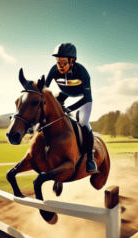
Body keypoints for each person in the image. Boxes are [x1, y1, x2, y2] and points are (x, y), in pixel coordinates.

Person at [45, 43, 98, 174]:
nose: (60, 66)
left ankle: (90, 159)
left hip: (83, 98)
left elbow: (86, 98)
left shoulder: (82, 72)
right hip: (65, 94)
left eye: (63, 62)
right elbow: (44, 90)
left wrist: (69, 108)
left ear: (72, 60)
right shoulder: (53, 70)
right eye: (58, 62)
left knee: (83, 122)